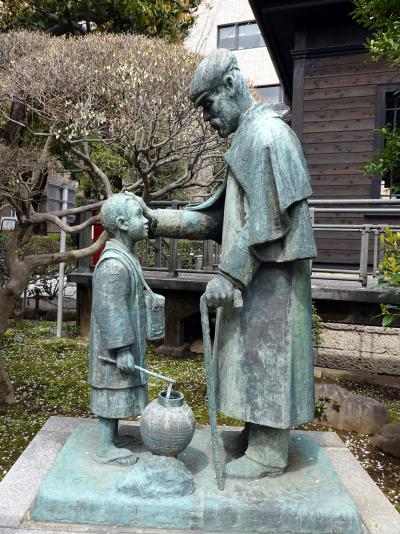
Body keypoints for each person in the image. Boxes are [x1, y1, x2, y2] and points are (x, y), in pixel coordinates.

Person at [140, 49, 317, 479]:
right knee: (251, 359)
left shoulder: (267, 136)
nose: (207, 117)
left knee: (264, 357)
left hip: (271, 280)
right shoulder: (248, 137)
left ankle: (270, 450)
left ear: (233, 86)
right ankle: (257, 432)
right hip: (258, 277)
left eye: (208, 104)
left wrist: (227, 274)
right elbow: (221, 219)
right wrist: (156, 220)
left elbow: (269, 220)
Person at [88, 193, 149, 464]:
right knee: (110, 390)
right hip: (112, 349)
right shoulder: (113, 265)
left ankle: (110, 438)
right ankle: (104, 447)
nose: (146, 220)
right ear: (123, 223)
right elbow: (110, 309)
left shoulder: (126, 257)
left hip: (124, 343)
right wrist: (122, 348)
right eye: (139, 215)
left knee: (117, 390)